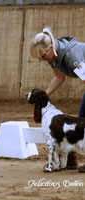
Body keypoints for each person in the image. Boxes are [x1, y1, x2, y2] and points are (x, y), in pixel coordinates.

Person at [30, 27, 85, 172]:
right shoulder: (52, 57)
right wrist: (44, 95)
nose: (42, 60)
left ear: (50, 47)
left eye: (42, 56)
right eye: (39, 58)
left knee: (83, 114)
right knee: (82, 117)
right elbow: (59, 77)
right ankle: (72, 158)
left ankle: (72, 156)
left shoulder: (71, 56)